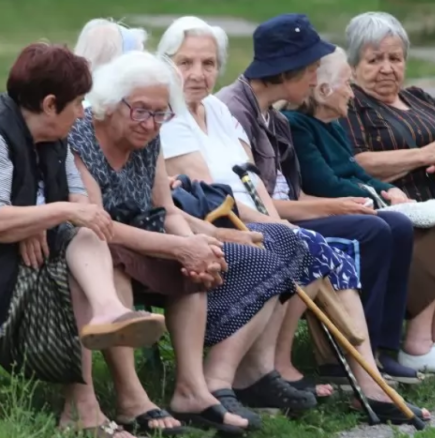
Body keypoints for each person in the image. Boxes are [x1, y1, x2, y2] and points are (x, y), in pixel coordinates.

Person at [156, 16, 430, 424]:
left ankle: (359, 374)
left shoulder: (216, 110)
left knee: (308, 243)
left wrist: (277, 221)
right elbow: (212, 197)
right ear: (165, 63)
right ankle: (243, 376)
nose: (198, 74)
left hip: (247, 218)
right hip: (210, 224)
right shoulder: (172, 118)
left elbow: (250, 181)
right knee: (305, 244)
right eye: (186, 63)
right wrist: (281, 224)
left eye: (209, 63)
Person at [68, 49, 337, 433]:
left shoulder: (150, 136)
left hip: (151, 236)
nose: (150, 123)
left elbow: (166, 209)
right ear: (111, 103)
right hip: (102, 242)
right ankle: (131, 398)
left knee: (241, 258)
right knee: (121, 266)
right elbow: (98, 223)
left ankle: (194, 387)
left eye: (160, 113)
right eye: (141, 110)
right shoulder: (82, 136)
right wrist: (180, 246)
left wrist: (195, 247)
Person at [216, 14, 421, 385]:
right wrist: (336, 205)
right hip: (255, 224)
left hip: (283, 215)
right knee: (372, 229)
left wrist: (340, 203)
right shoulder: (236, 110)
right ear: (287, 71)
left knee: (394, 223)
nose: (315, 78)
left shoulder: (274, 120)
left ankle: (379, 349)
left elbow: (291, 192)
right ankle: (354, 354)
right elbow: (257, 201)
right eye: (310, 69)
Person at [0, 43, 168, 438]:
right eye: (76, 103)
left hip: (37, 257)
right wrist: (48, 216)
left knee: (87, 230)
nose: (82, 113)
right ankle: (83, 412)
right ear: (49, 104)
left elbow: (80, 201)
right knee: (75, 244)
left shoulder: (57, 141)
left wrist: (44, 219)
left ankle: (108, 313)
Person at [283, 45, 435, 377]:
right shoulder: (299, 125)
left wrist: (389, 190)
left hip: (351, 205)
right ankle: (360, 344)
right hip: (320, 209)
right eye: (347, 85)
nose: (353, 94)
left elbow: (355, 172)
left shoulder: (334, 124)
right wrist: (374, 198)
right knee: (383, 228)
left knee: (398, 226)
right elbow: (327, 183)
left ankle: (385, 345)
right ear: (323, 91)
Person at [339, 12, 435, 373]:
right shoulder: (351, 106)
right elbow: (354, 161)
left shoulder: (420, 98)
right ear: (352, 65)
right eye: (374, 59)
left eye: (394, 58)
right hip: (400, 209)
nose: (386, 68)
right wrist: (424, 155)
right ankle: (418, 342)